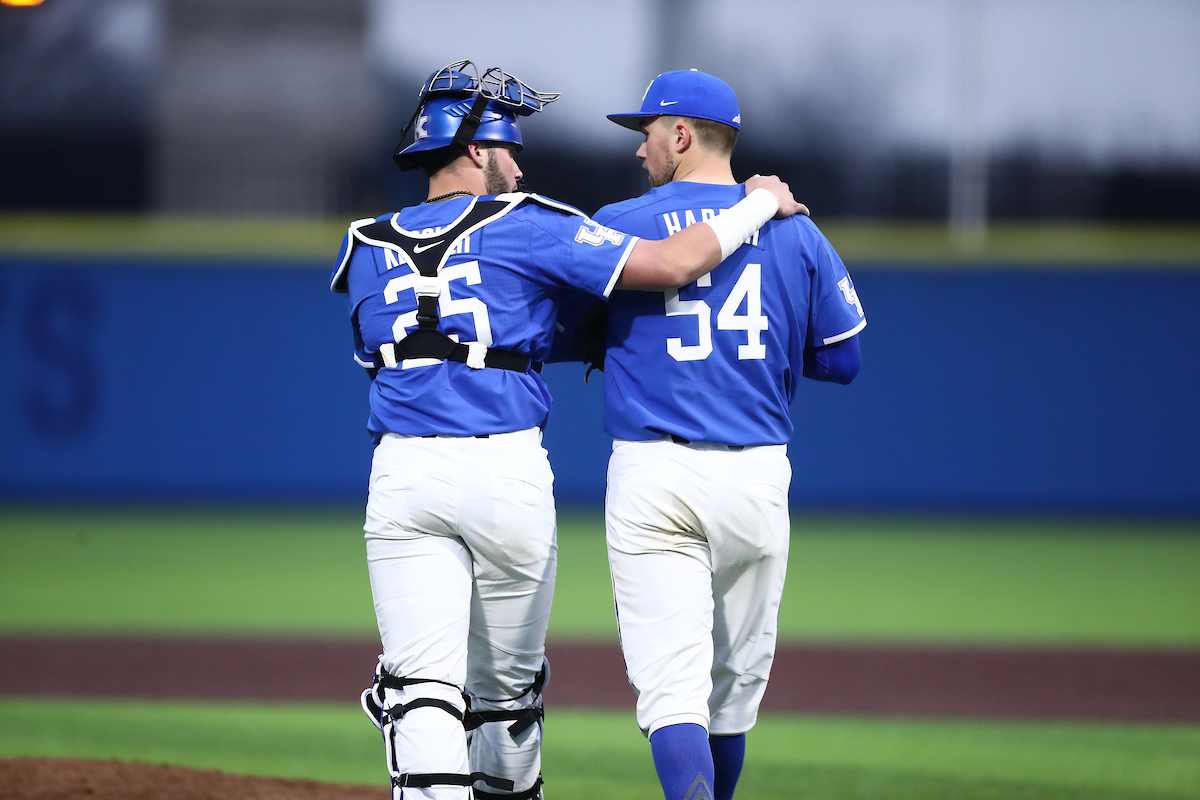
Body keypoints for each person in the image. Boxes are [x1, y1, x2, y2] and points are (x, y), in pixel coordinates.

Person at [329, 60, 805, 800]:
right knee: (507, 696)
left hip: (402, 477)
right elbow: (674, 264)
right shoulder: (528, 224)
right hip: (504, 472)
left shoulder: (362, 246)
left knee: (421, 683)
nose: (518, 165)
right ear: (478, 152)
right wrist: (756, 204)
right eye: (510, 150)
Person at [589, 69, 867, 800]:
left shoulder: (619, 221)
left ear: (680, 134)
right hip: (755, 479)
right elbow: (844, 359)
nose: (639, 148)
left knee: (672, 692)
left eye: (646, 132)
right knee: (732, 694)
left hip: (655, 476)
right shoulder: (795, 230)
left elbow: (567, 329)